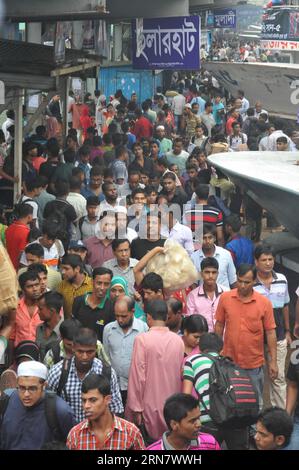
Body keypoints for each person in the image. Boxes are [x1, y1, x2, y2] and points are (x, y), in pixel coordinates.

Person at [215, 263, 278, 409]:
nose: (242, 285)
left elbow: (270, 332)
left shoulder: (264, 303)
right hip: (229, 362)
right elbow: (219, 325)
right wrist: (216, 351)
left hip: (253, 365)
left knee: (255, 404)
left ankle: (254, 431)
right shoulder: (225, 298)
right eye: (240, 281)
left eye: (247, 282)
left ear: (255, 281)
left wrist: (273, 361)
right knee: (230, 402)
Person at [126, 300, 184, 441]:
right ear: (166, 317)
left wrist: (135, 407)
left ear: (148, 317)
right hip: (173, 406)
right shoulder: (178, 341)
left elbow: (137, 376)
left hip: (149, 407)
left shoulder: (142, 340)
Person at [182, 332, 249, 449]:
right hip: (236, 419)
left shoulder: (192, 360)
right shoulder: (230, 363)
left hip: (208, 420)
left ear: (200, 348)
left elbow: (186, 397)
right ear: (221, 349)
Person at [47, 328, 123, 423]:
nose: (84, 357)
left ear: (96, 349)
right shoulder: (57, 372)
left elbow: (116, 409)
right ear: (73, 348)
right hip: (67, 433)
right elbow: (49, 407)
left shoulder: (107, 373)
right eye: (80, 351)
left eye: (89, 352)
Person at [0, 361, 76, 450]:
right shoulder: (7, 400)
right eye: (22, 388)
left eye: (32, 388)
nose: (26, 394)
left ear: (44, 385)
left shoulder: (60, 410)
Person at [254, 244, 291, 409]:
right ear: (256, 262)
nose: (268, 263)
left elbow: (285, 306)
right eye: (264, 260)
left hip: (280, 335)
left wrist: (288, 331)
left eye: (270, 259)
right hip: (256, 339)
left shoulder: (282, 279)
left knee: (278, 377)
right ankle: (259, 415)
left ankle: (279, 415)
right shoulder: (251, 283)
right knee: (258, 377)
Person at [66, 374, 145, 450]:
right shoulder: (75, 435)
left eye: (93, 400)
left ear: (107, 399)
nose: (86, 406)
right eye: (84, 400)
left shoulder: (131, 432)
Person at [103, 296, 148, 406]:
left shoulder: (143, 329)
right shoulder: (108, 330)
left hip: (136, 387)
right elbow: (106, 356)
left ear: (132, 312)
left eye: (124, 316)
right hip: (114, 386)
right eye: (117, 316)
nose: (120, 320)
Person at [147, 393, 220, 451]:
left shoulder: (210, 443)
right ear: (174, 424)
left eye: (198, 418)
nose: (199, 424)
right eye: (192, 421)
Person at [72, 267, 114, 343]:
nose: (102, 288)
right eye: (99, 283)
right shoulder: (78, 301)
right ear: (92, 282)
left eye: (106, 284)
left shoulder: (111, 307)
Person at [186, 257, 229, 331]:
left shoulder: (227, 293)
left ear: (218, 274)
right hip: (202, 339)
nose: (211, 276)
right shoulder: (192, 296)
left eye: (214, 272)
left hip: (223, 339)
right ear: (201, 273)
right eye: (207, 272)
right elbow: (190, 321)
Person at [191, 224, 236, 289]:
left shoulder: (226, 254)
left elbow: (233, 281)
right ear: (199, 239)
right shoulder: (194, 257)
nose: (207, 241)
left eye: (210, 237)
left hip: (224, 296)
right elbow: (194, 283)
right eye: (204, 238)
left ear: (214, 238)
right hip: (203, 297)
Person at [10, 271, 42, 350]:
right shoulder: (15, 308)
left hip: (41, 356)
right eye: (30, 286)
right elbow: (11, 337)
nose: (35, 289)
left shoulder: (48, 306)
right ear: (23, 289)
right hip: (20, 354)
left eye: (37, 285)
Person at [57, 254, 93, 319]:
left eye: (66, 269)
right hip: (67, 327)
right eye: (62, 268)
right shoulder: (62, 285)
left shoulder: (92, 285)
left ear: (77, 269)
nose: (63, 272)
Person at [36, 291, 64, 361]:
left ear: (52, 311)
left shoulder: (65, 330)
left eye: (40, 309)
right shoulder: (39, 328)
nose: (37, 312)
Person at [5, 204, 33, 270]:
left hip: (8, 265)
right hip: (17, 267)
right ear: (29, 216)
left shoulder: (9, 228)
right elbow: (22, 253)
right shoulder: (27, 232)